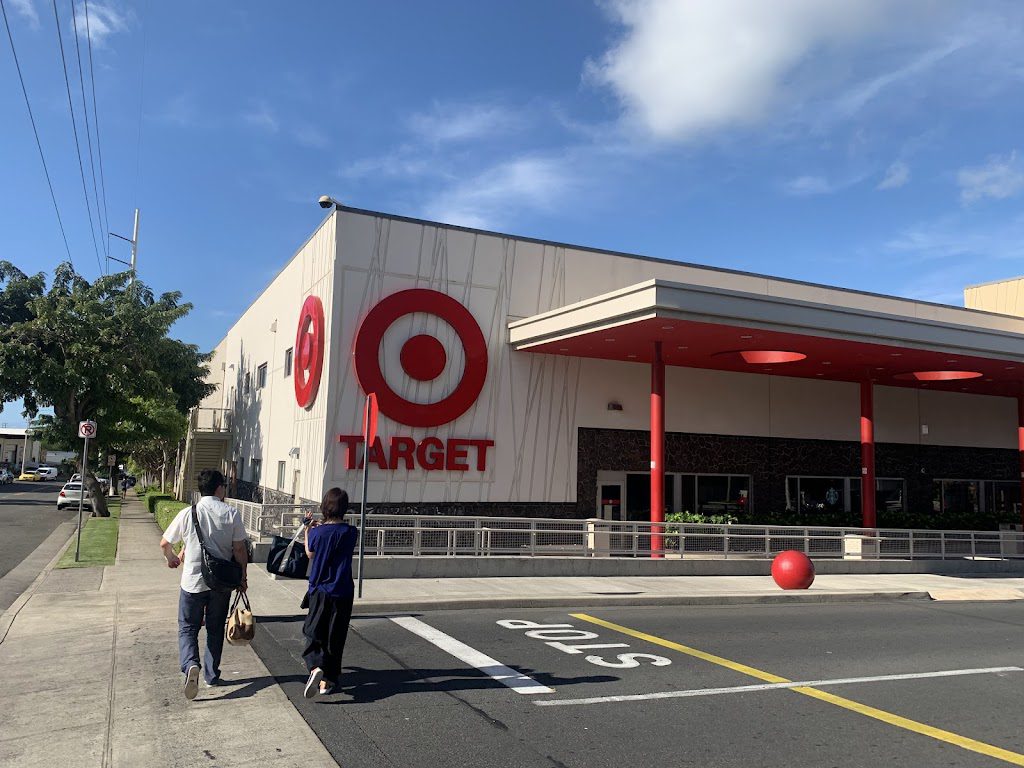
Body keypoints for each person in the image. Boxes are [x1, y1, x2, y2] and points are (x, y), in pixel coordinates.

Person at [159, 468, 248, 700]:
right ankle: (211, 675)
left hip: (192, 582)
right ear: (219, 488)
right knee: (215, 628)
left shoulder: (189, 513)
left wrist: (172, 559)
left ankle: (190, 664)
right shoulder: (231, 513)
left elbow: (165, 543)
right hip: (221, 583)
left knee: (188, 627)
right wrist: (242, 577)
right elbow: (239, 549)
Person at [301, 487, 359, 697]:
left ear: (325, 506)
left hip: (320, 590)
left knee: (313, 631)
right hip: (343, 590)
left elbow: (310, 553)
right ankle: (328, 681)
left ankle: (316, 666)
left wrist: (308, 530)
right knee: (336, 636)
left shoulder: (318, 532)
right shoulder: (351, 532)